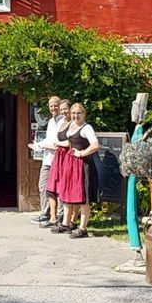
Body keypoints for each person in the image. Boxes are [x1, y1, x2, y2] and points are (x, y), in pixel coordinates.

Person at [50, 102, 100, 238]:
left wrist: (82, 153)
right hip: (70, 164)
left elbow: (95, 145)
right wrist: (58, 143)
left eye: (79, 113)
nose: (76, 116)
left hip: (82, 166)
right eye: (73, 113)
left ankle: (83, 228)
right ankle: (66, 224)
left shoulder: (87, 128)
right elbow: (70, 142)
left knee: (83, 197)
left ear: (84, 114)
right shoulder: (72, 125)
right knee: (67, 193)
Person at [33, 96, 63, 226]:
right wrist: (38, 145)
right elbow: (49, 140)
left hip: (59, 160)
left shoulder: (64, 122)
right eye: (51, 106)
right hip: (47, 160)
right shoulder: (51, 121)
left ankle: (60, 215)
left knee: (59, 189)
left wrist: (43, 145)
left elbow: (58, 144)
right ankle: (45, 213)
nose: (53, 108)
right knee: (43, 186)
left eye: (56, 105)